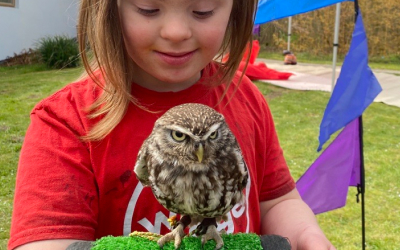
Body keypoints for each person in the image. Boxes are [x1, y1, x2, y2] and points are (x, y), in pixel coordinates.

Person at [9, 0, 336, 249]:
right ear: (111, 8)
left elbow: (277, 201)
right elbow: (44, 241)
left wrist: (307, 236)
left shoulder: (245, 96)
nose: (176, 32)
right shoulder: (66, 121)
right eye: (149, 8)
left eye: (203, 9)